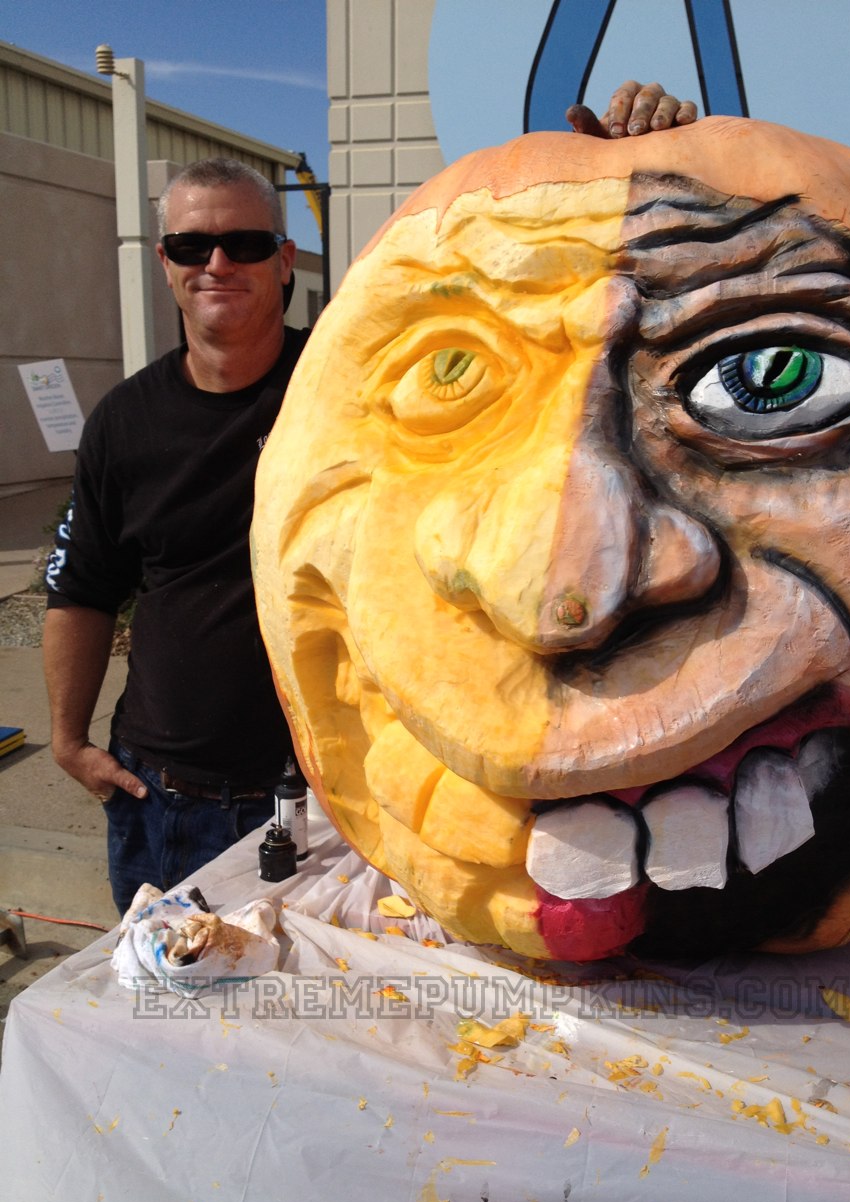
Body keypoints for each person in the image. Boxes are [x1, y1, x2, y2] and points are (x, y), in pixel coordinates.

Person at [43, 83, 697, 917]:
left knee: (326, 1025)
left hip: (346, 788)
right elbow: (82, 588)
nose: (218, 265)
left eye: (244, 244)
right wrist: (66, 740)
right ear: (165, 261)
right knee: (173, 1016)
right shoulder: (121, 423)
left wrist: (640, 161)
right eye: (193, 245)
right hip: (171, 791)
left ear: (285, 261)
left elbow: (525, 292)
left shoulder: (365, 385)